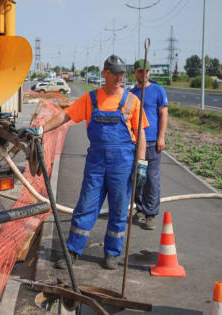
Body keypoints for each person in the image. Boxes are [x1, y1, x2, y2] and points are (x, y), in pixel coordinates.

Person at [19, 55, 149, 270]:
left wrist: (142, 162)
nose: (119, 77)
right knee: (86, 207)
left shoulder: (132, 101)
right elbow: (66, 116)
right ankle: (72, 251)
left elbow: (141, 134)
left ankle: (112, 253)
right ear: (104, 73)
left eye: (121, 74)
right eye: (114, 73)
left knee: (118, 209)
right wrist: (41, 129)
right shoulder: (91, 99)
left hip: (123, 163)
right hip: (97, 162)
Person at [130, 59, 169, 230]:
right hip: (136, 142)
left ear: (149, 73)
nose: (143, 74)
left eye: (145, 71)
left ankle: (151, 214)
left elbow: (163, 115)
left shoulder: (157, 91)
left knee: (151, 179)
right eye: (139, 71)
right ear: (135, 73)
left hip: (152, 141)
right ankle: (140, 208)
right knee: (139, 177)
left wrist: (161, 137)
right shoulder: (131, 94)